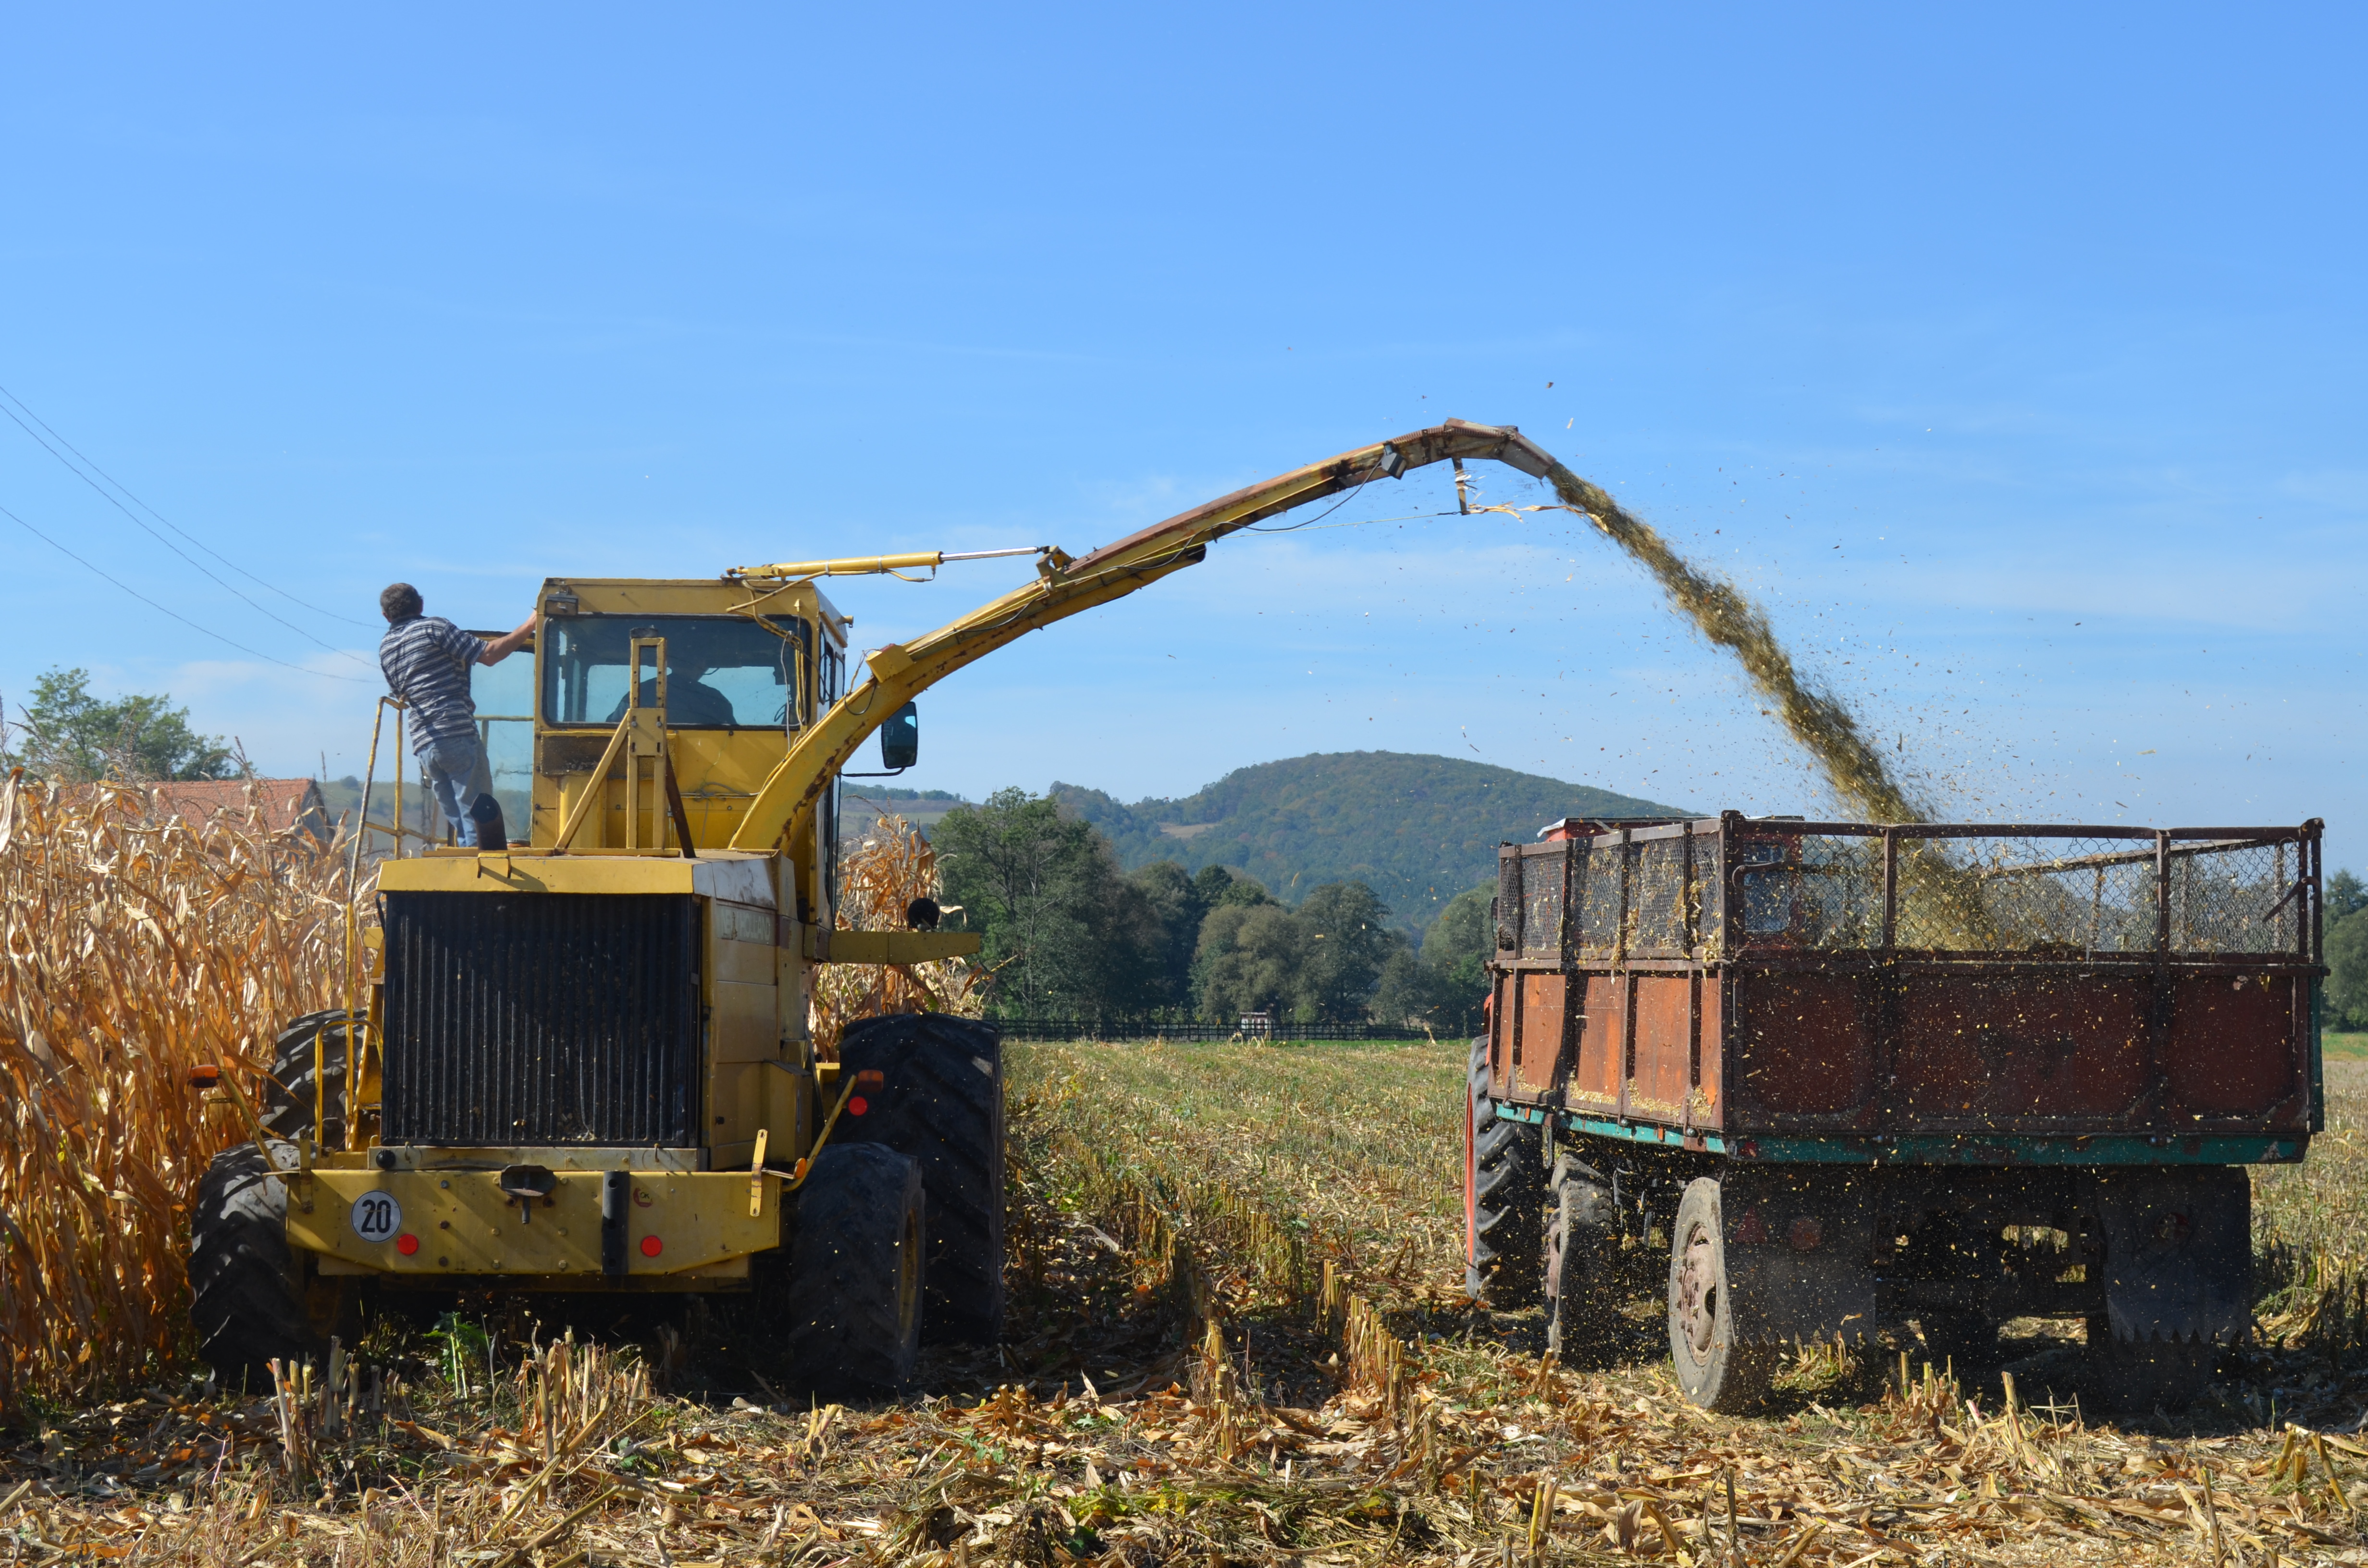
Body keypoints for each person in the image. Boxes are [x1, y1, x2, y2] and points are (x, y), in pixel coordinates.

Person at [378, 583, 536, 851]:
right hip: (455, 733)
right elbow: (488, 655)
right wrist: (531, 623)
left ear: (386, 616)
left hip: (424, 744)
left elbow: (404, 692)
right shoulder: (433, 628)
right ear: (421, 605)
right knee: (478, 815)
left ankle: (466, 869)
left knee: (461, 824)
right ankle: (483, 881)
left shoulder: (386, 648)